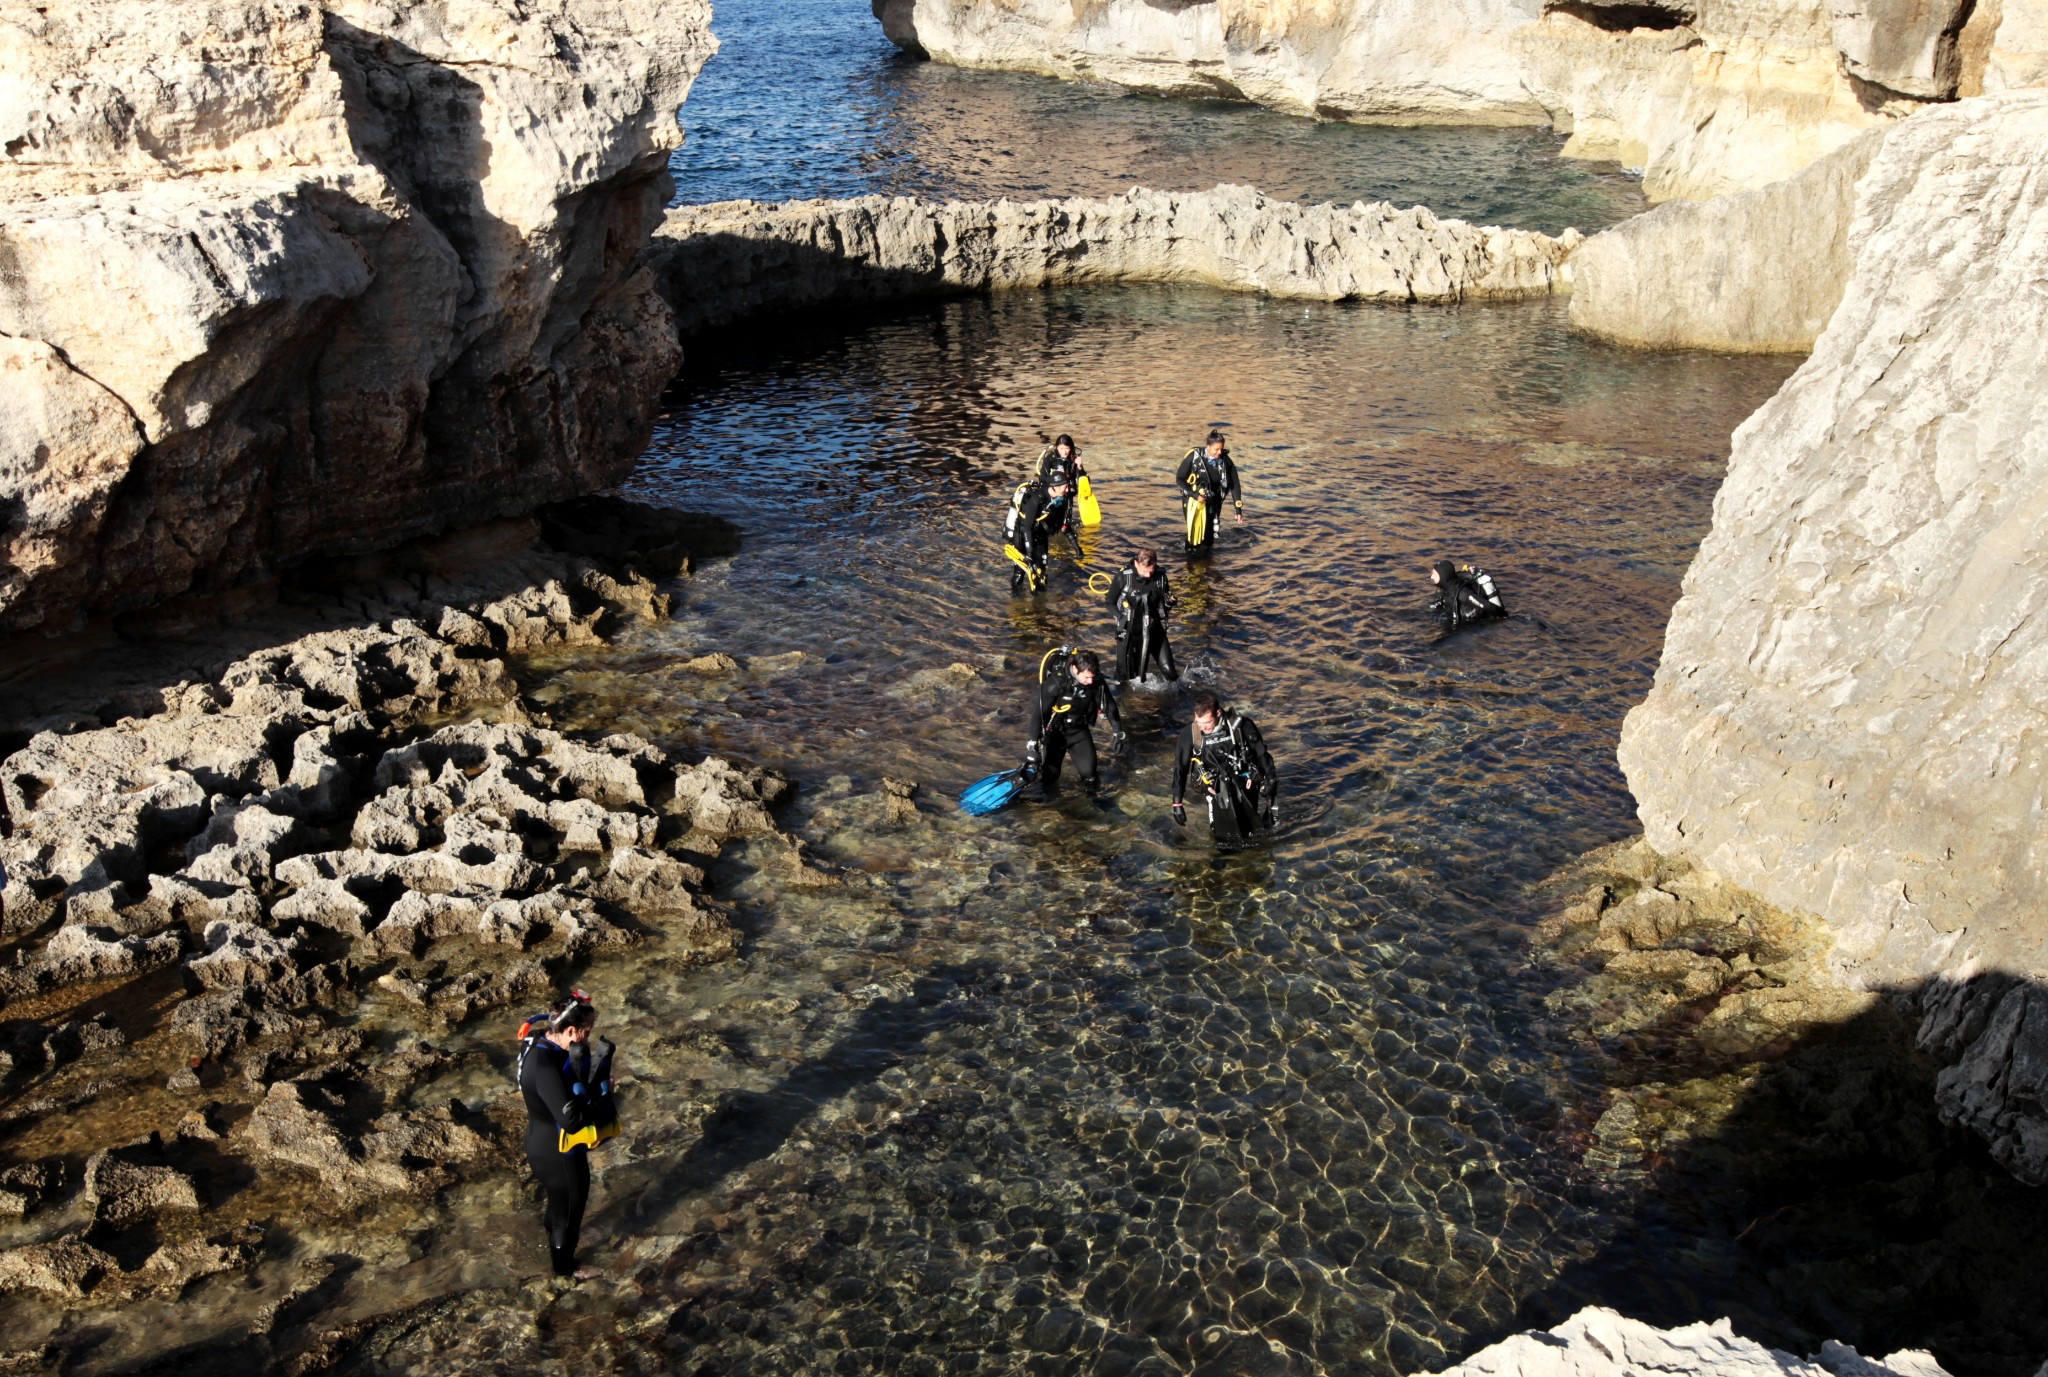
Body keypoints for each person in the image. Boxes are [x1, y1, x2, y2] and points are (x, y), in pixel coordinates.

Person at [518, 991, 619, 1279]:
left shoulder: (538, 1042)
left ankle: (554, 1238)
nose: (589, 1038)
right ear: (572, 1030)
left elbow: (558, 1094)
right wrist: (602, 1094)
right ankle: (565, 1271)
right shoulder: (545, 1066)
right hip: (560, 1153)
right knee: (569, 1217)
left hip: (540, 1142)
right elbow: (571, 1121)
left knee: (559, 1206)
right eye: (587, 1032)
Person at [1171, 692, 1277, 844]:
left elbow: (1261, 754)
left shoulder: (1241, 726)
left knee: (1252, 833)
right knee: (1221, 838)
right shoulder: (1190, 734)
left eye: (1207, 723)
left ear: (1218, 713)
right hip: (1213, 789)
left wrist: (1271, 778)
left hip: (1245, 781)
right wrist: (1177, 803)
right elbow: (1179, 769)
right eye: (1199, 722)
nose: (1203, 727)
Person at [1026, 648, 1125, 799]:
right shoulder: (1056, 684)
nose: (1090, 681)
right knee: (1050, 778)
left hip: (1079, 732)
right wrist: (1032, 746)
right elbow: (1038, 715)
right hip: (1056, 734)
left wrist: (1118, 732)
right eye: (1086, 677)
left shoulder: (1096, 682)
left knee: (1090, 777)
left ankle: (1095, 806)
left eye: (1092, 677)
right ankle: (1048, 808)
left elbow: (1110, 707)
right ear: (1075, 669)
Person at [1104, 547, 1179, 684]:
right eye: (1144, 572)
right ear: (1137, 563)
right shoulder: (1123, 577)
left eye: (1151, 571)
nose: (1148, 576)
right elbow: (1109, 603)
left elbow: (1162, 610)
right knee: (1124, 677)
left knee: (1170, 672)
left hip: (1153, 626)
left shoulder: (1161, 578)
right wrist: (1121, 619)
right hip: (1129, 629)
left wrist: (1169, 604)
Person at [1004, 474, 1075, 593]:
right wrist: (1030, 553)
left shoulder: (1062, 499)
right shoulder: (1037, 499)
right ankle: (1016, 601)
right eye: (1065, 486)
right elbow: (1027, 528)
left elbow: (1064, 524)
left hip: (1041, 536)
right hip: (1023, 535)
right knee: (1019, 573)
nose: (1068, 489)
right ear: (1055, 487)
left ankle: (1039, 606)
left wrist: (1075, 545)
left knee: (1041, 573)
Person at [1175, 429, 1242, 552]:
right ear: (1208, 446)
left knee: (1209, 535)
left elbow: (1234, 483)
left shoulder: (1226, 460)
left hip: (1213, 501)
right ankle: (1190, 558)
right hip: (1193, 501)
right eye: (1216, 449)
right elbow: (1179, 479)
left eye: (1221, 449)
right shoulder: (1194, 457)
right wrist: (1194, 495)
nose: (1219, 452)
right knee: (1194, 535)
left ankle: (1207, 563)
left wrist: (1238, 509)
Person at [1429, 559, 1508, 632]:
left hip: (1472, 627)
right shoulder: (1445, 588)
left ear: (1443, 576)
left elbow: (1487, 606)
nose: (1431, 577)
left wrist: (1505, 617)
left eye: (1435, 575)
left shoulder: (1462, 593)